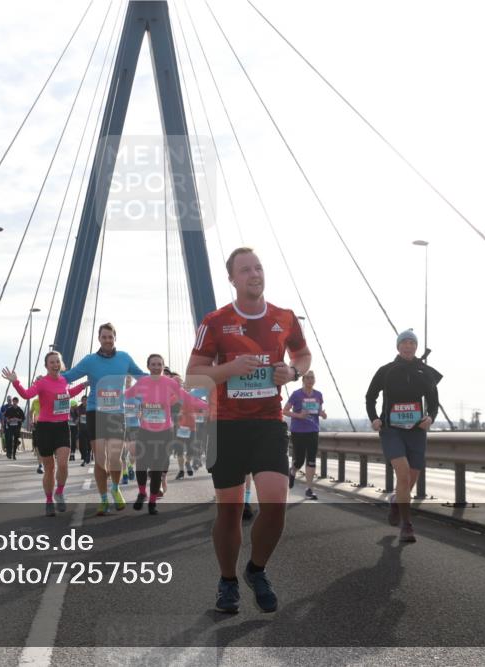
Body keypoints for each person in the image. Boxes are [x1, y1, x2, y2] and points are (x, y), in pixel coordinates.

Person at [187, 247, 311, 614]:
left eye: (258, 268)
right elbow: (193, 374)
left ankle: (256, 570)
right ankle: (227, 581)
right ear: (232, 279)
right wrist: (231, 369)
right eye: (245, 270)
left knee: (275, 503)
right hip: (226, 426)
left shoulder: (284, 318)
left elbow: (303, 355)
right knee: (229, 511)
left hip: (268, 423)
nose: (254, 274)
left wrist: (294, 371)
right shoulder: (215, 321)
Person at [61, 323, 146, 515]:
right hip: (95, 413)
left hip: (116, 414)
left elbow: (142, 376)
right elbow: (69, 376)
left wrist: (164, 381)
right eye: (104, 337)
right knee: (100, 459)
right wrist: (48, 380)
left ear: (115, 338)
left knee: (115, 458)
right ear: (99, 338)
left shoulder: (124, 358)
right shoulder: (89, 360)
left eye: (111, 337)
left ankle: (115, 489)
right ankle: (103, 499)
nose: (107, 340)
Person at [365, 329, 441, 543]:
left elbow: (434, 402)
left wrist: (431, 418)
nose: (408, 346)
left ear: (416, 347)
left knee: (410, 480)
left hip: (416, 431)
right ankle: (406, 525)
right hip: (391, 430)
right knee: (404, 473)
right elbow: (370, 396)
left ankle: (395, 501)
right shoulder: (386, 370)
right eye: (404, 343)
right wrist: (374, 418)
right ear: (398, 347)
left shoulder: (424, 371)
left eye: (411, 343)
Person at [3, 352, 87, 516]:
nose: (55, 364)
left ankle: (60, 492)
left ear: (61, 364)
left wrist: (83, 385)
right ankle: (49, 500)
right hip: (45, 429)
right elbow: (26, 395)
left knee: (63, 464)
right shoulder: (42, 383)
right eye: (51, 362)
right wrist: (15, 382)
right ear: (46, 366)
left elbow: (69, 394)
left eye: (57, 362)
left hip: (62, 427)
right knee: (49, 468)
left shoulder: (64, 381)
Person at [125, 354, 204, 515]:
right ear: (148, 367)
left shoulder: (170, 383)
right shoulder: (142, 382)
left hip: (164, 433)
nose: (156, 367)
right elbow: (126, 395)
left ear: (163, 366)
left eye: (159, 364)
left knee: (156, 469)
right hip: (145, 431)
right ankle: (142, 493)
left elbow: (186, 397)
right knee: (141, 465)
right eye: (153, 364)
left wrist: (206, 406)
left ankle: (152, 502)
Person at [283, 370, 327, 500]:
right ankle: (293, 471)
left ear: (314, 380)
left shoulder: (318, 395)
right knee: (300, 460)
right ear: (303, 380)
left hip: (313, 430)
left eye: (312, 378)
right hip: (298, 431)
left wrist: (322, 414)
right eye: (307, 378)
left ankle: (309, 489)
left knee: (312, 459)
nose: (310, 380)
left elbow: (318, 410)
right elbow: (284, 411)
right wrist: (298, 415)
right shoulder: (296, 394)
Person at [74, 396, 91, 466]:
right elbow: (75, 417)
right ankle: (85, 458)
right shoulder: (78, 408)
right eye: (83, 400)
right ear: (81, 401)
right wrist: (76, 420)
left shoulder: (90, 407)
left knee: (89, 444)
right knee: (82, 445)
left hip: (89, 428)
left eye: (86, 400)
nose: (85, 401)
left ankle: (88, 455)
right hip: (81, 428)